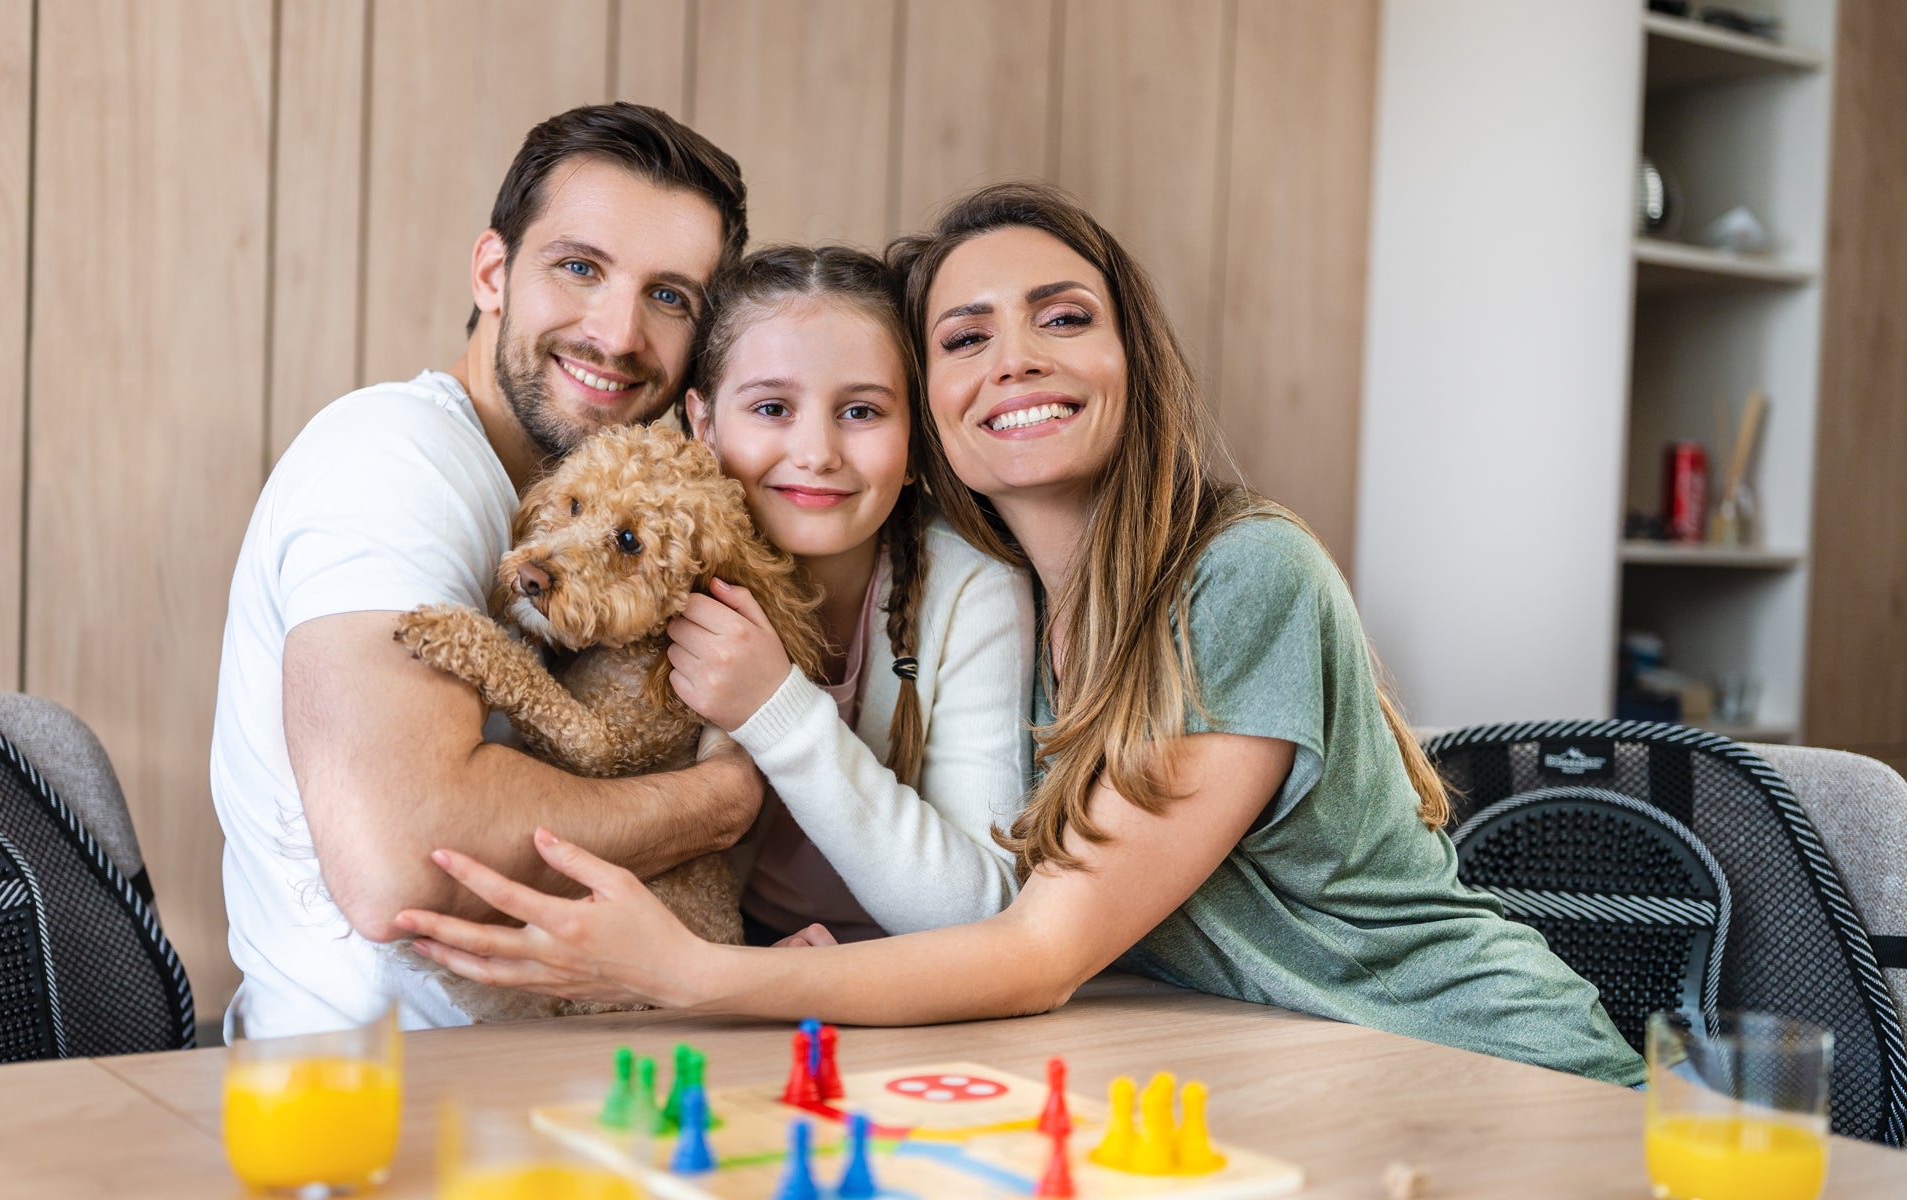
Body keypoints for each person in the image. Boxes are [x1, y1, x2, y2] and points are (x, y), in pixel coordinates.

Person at [394, 183, 1649, 1086]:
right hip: (1280, 1063)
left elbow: (1036, 942)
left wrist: (698, 975)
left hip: (1485, 1065)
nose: (1015, 362)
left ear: (1131, 356)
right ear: (941, 404)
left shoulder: (1242, 574)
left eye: (1062, 317)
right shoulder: (1021, 601)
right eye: (966, 335)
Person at [210, 103, 758, 1036]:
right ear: (493, 272)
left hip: (569, 1071)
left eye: (670, 297)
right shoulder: (395, 459)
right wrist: (715, 803)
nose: (620, 333)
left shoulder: (587, 506)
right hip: (388, 1105)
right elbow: (406, 865)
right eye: (579, 268)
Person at [668, 246, 1034, 945]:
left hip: (920, 987)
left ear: (916, 442)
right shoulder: (661, 574)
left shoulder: (973, 588)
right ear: (704, 425)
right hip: (721, 964)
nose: (817, 451)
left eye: (861, 411)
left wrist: (775, 709)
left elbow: (981, 914)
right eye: (772, 407)